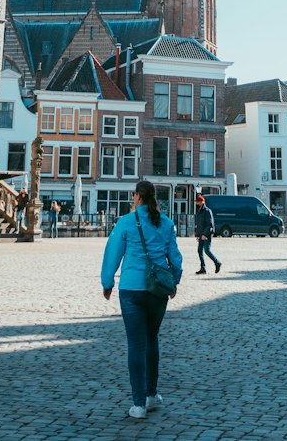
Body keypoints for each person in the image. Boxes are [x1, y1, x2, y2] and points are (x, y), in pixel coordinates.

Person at [101, 179, 183, 421]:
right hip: (158, 291)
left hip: (131, 289)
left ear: (137, 196)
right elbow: (175, 259)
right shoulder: (166, 223)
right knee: (151, 339)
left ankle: (138, 404)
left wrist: (107, 283)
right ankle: (151, 394)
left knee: (136, 345)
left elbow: (112, 254)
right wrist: (174, 282)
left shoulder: (125, 222)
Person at [193, 193, 221, 275]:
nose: (196, 203)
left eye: (197, 202)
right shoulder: (199, 211)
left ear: (202, 202)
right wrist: (198, 235)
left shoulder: (207, 211)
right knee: (199, 251)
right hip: (201, 235)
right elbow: (198, 224)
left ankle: (217, 262)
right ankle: (203, 268)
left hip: (206, 235)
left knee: (207, 250)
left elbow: (209, 224)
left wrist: (205, 235)